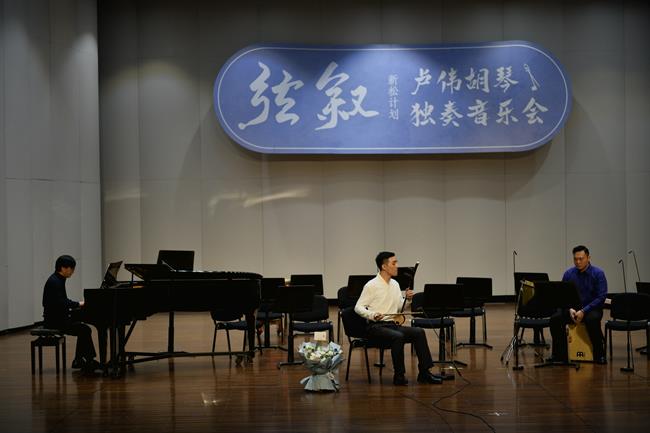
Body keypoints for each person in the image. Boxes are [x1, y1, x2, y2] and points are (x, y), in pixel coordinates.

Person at [354, 251, 442, 385]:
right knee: (398, 336)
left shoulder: (395, 284)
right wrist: (372, 314)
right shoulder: (371, 285)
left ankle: (424, 373)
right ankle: (399, 376)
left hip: (392, 325)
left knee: (419, 332)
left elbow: (400, 308)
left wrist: (408, 299)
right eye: (394, 263)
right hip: (375, 327)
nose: (397, 266)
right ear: (384, 266)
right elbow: (358, 307)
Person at [549, 245, 607, 364]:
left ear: (588, 258)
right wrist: (569, 309)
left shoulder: (598, 273)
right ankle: (560, 355)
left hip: (591, 309)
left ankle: (599, 354)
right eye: (575, 259)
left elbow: (601, 297)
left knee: (592, 320)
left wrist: (584, 311)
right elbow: (563, 295)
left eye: (581, 259)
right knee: (555, 319)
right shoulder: (568, 274)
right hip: (573, 309)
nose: (578, 262)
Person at [42, 255, 100, 373]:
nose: (73, 271)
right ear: (63, 268)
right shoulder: (54, 282)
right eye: (71, 268)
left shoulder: (57, 279)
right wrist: (78, 304)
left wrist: (75, 306)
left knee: (84, 329)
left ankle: (80, 360)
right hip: (54, 321)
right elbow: (61, 302)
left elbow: (61, 302)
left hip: (57, 317)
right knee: (84, 330)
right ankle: (86, 360)